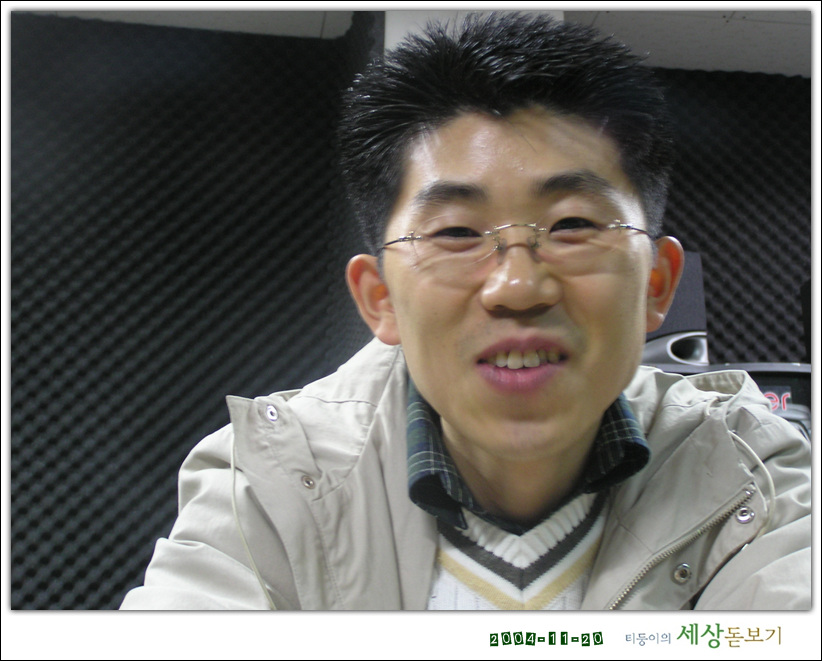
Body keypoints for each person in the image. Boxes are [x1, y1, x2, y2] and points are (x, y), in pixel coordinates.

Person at [120, 12, 810, 610]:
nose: (517, 286)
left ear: (657, 283)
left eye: (572, 224)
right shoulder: (272, 477)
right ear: (380, 298)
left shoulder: (753, 466)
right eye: (454, 232)